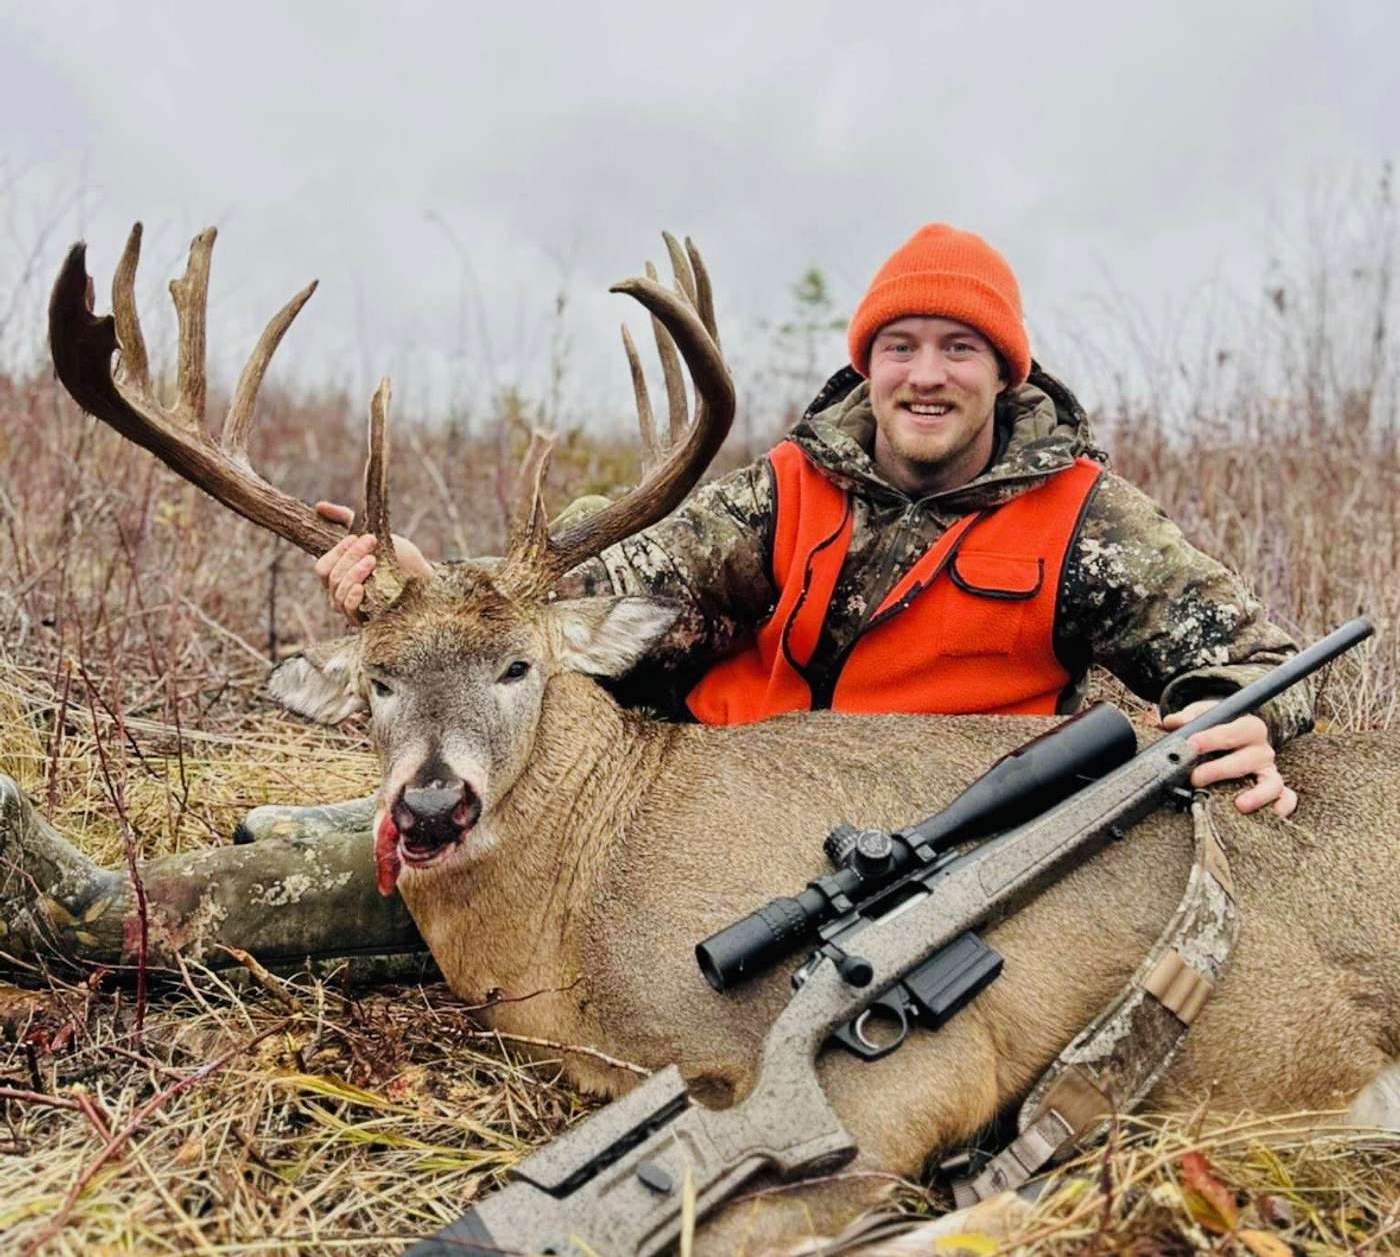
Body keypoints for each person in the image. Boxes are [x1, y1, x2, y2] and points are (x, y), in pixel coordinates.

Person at [0, 224, 1307, 977]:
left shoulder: (1084, 517)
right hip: (693, 811)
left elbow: (1257, 655)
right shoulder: (791, 486)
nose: (924, 373)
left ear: (1003, 372)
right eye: (899, 346)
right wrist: (406, 588)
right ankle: (115, 901)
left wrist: (1235, 711)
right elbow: (588, 596)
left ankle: (127, 904)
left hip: (921, 846)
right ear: (870, 363)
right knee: (457, 818)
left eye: (957, 348)